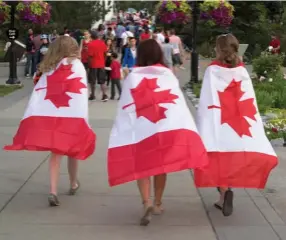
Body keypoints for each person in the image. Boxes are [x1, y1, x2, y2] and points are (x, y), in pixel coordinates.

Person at [108, 39, 208, 226]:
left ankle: (145, 201)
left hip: (141, 129)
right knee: (159, 167)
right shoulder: (168, 75)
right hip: (163, 128)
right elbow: (177, 105)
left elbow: (126, 107)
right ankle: (157, 203)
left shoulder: (132, 76)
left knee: (142, 166)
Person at [5, 36, 96, 206]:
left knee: (56, 153)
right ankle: (73, 183)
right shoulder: (77, 66)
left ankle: (53, 191)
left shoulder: (49, 67)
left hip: (51, 117)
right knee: (72, 150)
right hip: (71, 117)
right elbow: (81, 93)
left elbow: (39, 90)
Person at [194, 34, 278, 217]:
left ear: (218, 50)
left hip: (219, 122)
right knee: (232, 156)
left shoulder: (212, 70)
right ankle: (225, 194)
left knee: (216, 157)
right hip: (238, 124)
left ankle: (224, 192)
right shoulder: (242, 71)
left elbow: (207, 99)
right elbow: (249, 100)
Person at [87, 30, 108, 101]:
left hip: (93, 65)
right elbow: (105, 54)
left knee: (92, 81)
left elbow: (90, 56)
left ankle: (92, 95)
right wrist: (103, 61)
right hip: (101, 64)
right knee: (102, 81)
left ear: (91, 36)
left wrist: (89, 65)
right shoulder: (102, 43)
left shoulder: (90, 44)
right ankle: (104, 95)